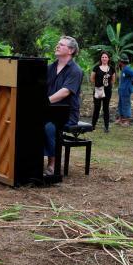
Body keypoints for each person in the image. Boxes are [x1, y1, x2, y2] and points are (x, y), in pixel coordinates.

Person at [44, 35, 83, 176]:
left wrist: (45, 102)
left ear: (71, 50)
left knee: (48, 127)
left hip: (66, 114)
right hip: (49, 110)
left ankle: (52, 163)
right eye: (58, 44)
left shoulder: (75, 70)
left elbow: (65, 92)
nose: (57, 46)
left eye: (61, 44)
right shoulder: (50, 67)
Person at [90, 51, 114, 132]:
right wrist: (97, 85)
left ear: (108, 58)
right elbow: (92, 78)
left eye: (106, 57)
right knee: (97, 108)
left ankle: (106, 127)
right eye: (103, 57)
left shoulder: (111, 68)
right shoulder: (96, 67)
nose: (104, 58)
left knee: (106, 108)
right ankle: (93, 125)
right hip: (98, 90)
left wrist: (108, 87)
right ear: (101, 58)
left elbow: (113, 80)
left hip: (107, 91)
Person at [115, 54, 133, 126]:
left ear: (121, 62)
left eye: (119, 61)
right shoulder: (123, 68)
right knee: (120, 104)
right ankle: (121, 119)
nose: (118, 62)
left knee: (126, 105)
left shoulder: (127, 69)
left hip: (126, 90)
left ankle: (127, 121)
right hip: (122, 90)